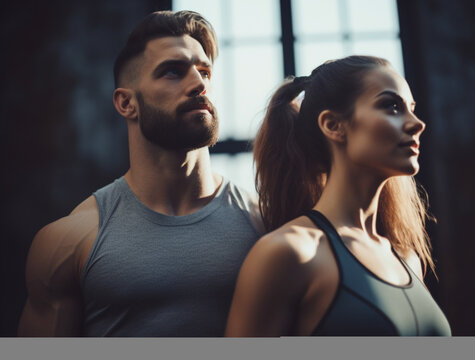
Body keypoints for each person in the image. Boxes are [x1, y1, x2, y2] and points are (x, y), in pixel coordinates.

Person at [18, 10, 263, 337]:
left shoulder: (264, 222)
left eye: (204, 71)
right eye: (173, 72)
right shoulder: (69, 240)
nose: (199, 83)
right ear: (126, 103)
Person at [225, 56, 451, 336]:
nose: (417, 124)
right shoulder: (289, 253)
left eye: (412, 109)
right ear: (333, 125)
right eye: (392, 106)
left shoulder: (407, 258)